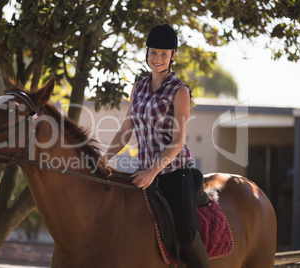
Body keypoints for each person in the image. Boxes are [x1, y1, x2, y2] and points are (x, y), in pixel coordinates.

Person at [104, 24, 209, 268]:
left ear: (173, 55)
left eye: (164, 54)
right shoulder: (138, 87)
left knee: (186, 233)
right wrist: (104, 156)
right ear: (147, 53)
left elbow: (177, 142)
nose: (157, 59)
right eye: (153, 53)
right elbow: (126, 130)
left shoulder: (179, 91)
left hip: (174, 173)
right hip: (143, 174)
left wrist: (153, 171)